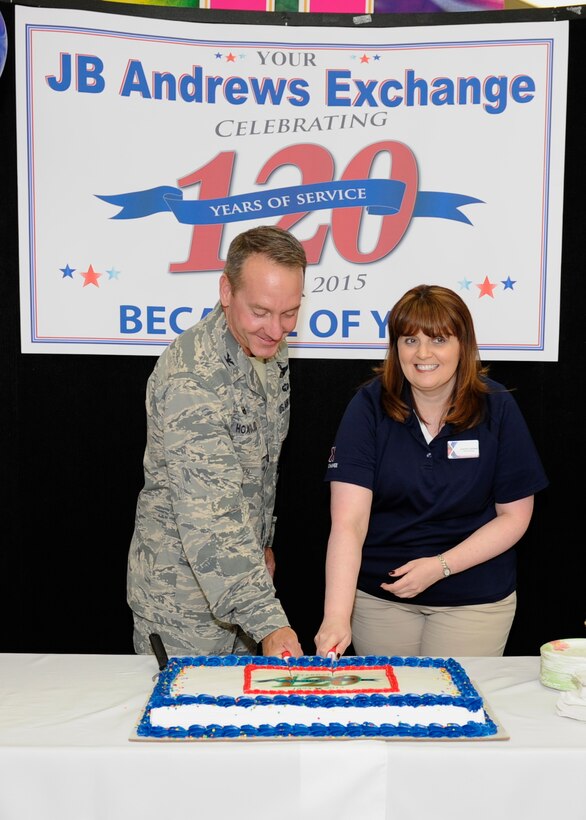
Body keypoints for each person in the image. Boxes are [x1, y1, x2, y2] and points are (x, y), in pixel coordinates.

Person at [315, 284, 548, 659]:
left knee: (455, 713)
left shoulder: (497, 407)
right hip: (381, 598)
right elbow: (349, 523)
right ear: (395, 348)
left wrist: (440, 567)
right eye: (410, 340)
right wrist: (336, 618)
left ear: (463, 346)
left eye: (438, 339)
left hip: (473, 597)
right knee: (392, 713)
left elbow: (514, 517)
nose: (423, 353)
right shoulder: (368, 407)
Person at [127, 225, 306, 659]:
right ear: (226, 291)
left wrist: (261, 543)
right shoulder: (193, 377)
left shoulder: (266, 349)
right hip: (184, 607)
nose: (277, 329)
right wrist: (268, 619)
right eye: (261, 311)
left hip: (240, 586)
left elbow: (258, 469)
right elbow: (210, 513)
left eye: (289, 313)